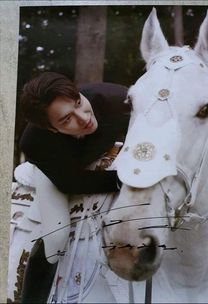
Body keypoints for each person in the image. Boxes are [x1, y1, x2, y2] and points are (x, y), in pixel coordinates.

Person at [18, 72, 130, 302]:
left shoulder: (120, 99)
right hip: (59, 171)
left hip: (101, 156)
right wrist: (125, 180)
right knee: (56, 236)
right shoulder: (35, 143)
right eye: (66, 119)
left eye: (79, 103)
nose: (83, 117)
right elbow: (71, 182)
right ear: (51, 129)